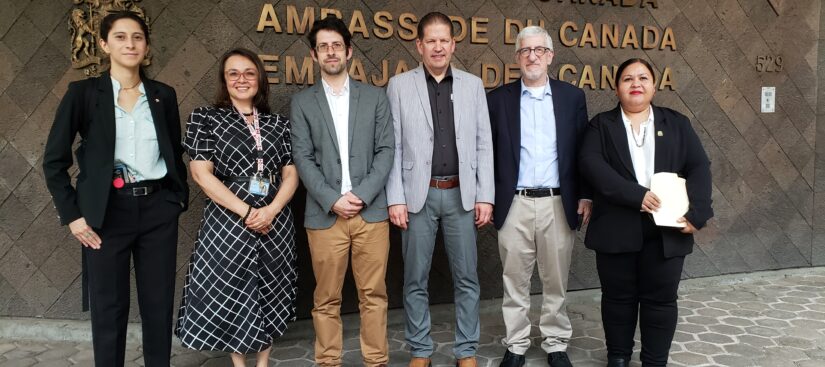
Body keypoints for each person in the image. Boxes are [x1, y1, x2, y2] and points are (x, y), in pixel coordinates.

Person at [42, 11, 188, 367]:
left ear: (146, 46)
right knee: (109, 308)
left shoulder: (162, 95)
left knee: (158, 304)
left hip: (157, 210)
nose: (130, 44)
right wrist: (74, 216)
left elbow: (173, 151)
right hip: (105, 214)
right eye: (121, 37)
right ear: (105, 45)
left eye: (137, 37)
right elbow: (54, 161)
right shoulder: (83, 94)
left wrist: (175, 199)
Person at [578, 58, 713, 367]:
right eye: (627, 79)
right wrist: (635, 195)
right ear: (617, 87)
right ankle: (619, 357)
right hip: (616, 226)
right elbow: (591, 164)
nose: (635, 84)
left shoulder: (676, 122)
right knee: (618, 299)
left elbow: (699, 167)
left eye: (642, 78)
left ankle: (655, 360)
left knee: (661, 301)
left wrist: (699, 212)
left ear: (654, 85)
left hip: (667, 229)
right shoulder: (602, 124)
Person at [175, 47, 299, 367]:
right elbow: (201, 174)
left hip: (274, 217)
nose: (241, 79)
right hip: (228, 219)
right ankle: (239, 363)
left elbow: (291, 172)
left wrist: (270, 210)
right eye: (233, 73)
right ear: (224, 80)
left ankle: (262, 362)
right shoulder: (205, 118)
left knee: (272, 284)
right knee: (235, 287)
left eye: (249, 73)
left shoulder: (278, 124)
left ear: (260, 79)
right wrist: (246, 212)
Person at [385, 11, 494, 367]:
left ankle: (466, 350)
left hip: (462, 195)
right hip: (418, 196)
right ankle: (420, 350)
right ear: (419, 45)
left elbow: (483, 144)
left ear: (453, 44)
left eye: (443, 40)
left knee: (467, 277)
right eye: (429, 40)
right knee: (415, 278)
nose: (437, 47)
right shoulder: (399, 86)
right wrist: (396, 198)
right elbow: (394, 146)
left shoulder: (472, 85)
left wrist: (485, 195)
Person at [290, 16, 395, 367]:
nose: (331, 52)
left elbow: (386, 151)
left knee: (374, 296)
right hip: (325, 215)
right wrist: (332, 199)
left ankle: (376, 361)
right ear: (314, 55)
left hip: (370, 213)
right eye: (323, 46)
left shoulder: (375, 97)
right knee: (326, 299)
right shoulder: (302, 103)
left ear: (349, 51)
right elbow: (302, 157)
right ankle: (328, 362)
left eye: (337, 45)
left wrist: (361, 194)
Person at [486, 26, 591, 367]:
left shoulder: (572, 97)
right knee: (514, 279)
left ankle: (555, 343)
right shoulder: (498, 99)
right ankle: (516, 344)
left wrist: (586, 194)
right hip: (513, 202)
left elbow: (582, 151)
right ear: (516, 57)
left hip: (557, 203)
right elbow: (486, 153)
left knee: (555, 279)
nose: (532, 55)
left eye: (539, 50)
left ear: (550, 56)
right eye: (525, 50)